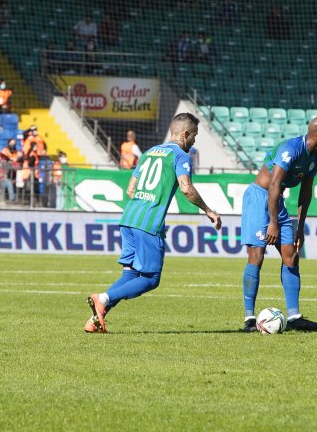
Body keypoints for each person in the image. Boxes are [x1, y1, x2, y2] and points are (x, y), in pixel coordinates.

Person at [85, 113, 221, 333]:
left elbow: (130, 189)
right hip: (148, 223)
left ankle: (94, 321)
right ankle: (102, 298)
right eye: (194, 136)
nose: (195, 141)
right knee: (151, 278)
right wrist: (208, 211)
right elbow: (186, 188)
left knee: (129, 275)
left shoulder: (149, 152)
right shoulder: (180, 156)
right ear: (185, 134)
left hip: (129, 218)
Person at [240, 116, 317, 333]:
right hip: (259, 198)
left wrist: (300, 227)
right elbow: (274, 185)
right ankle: (249, 318)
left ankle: (294, 316)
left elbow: (305, 192)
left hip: (277, 202)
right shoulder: (290, 149)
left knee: (291, 254)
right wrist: (272, 223)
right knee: (257, 255)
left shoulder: (315, 158)